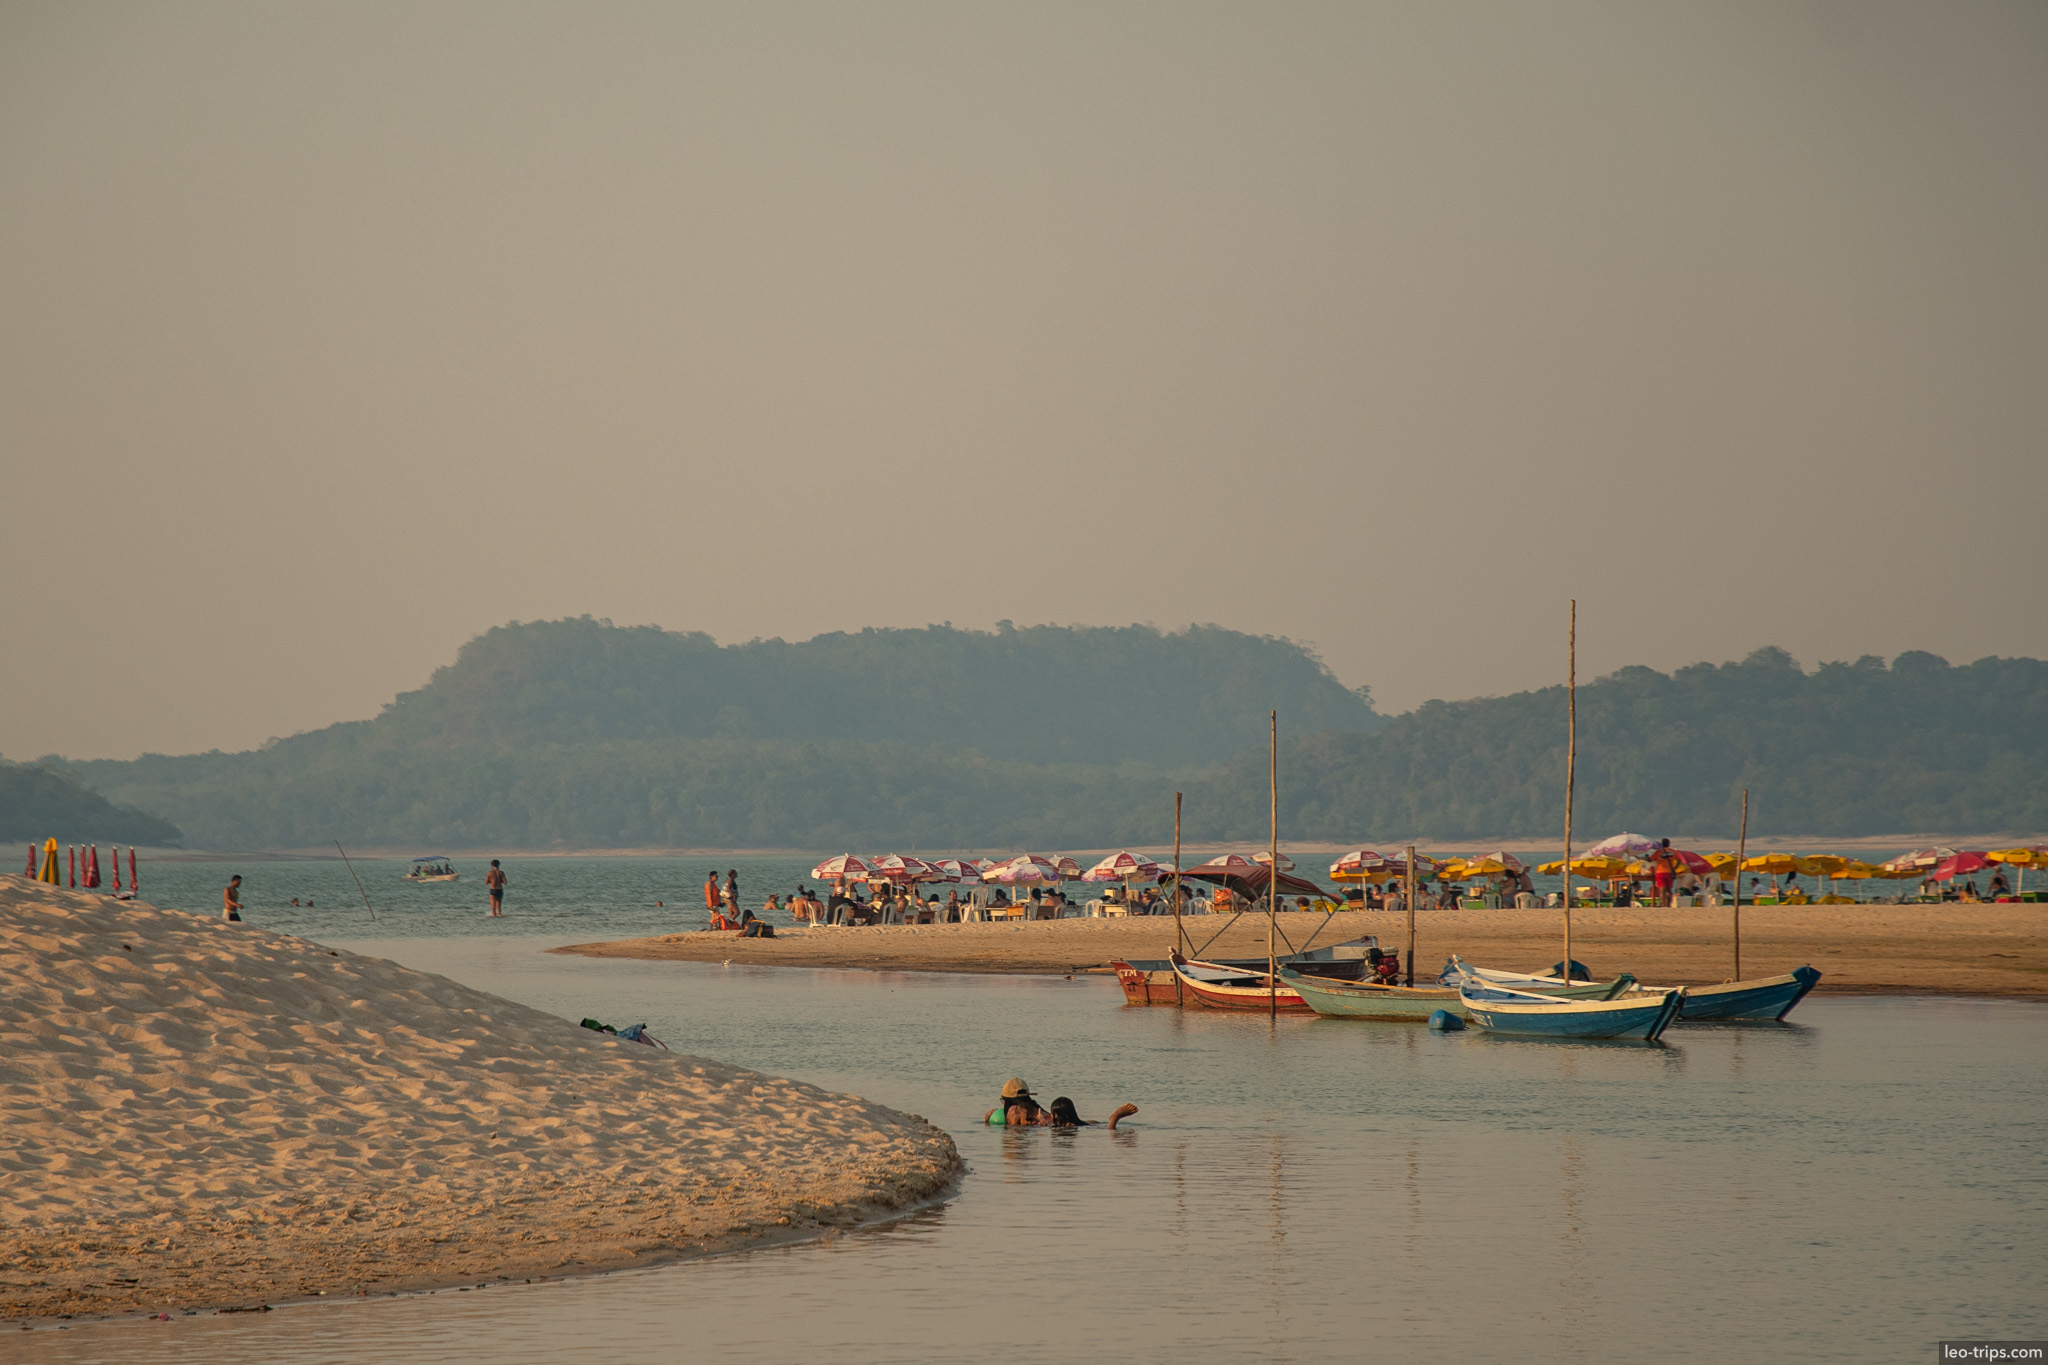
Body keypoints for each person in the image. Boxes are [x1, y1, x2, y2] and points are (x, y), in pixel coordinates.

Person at [1651, 839, 1678, 907]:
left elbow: (1650, 859)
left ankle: (1663, 904)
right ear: (1669, 844)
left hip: (1660, 872)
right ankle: (1668, 904)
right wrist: (1674, 868)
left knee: (1662, 889)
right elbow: (1679, 860)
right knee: (1669, 890)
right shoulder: (1673, 852)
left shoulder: (1658, 852)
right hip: (1670, 873)